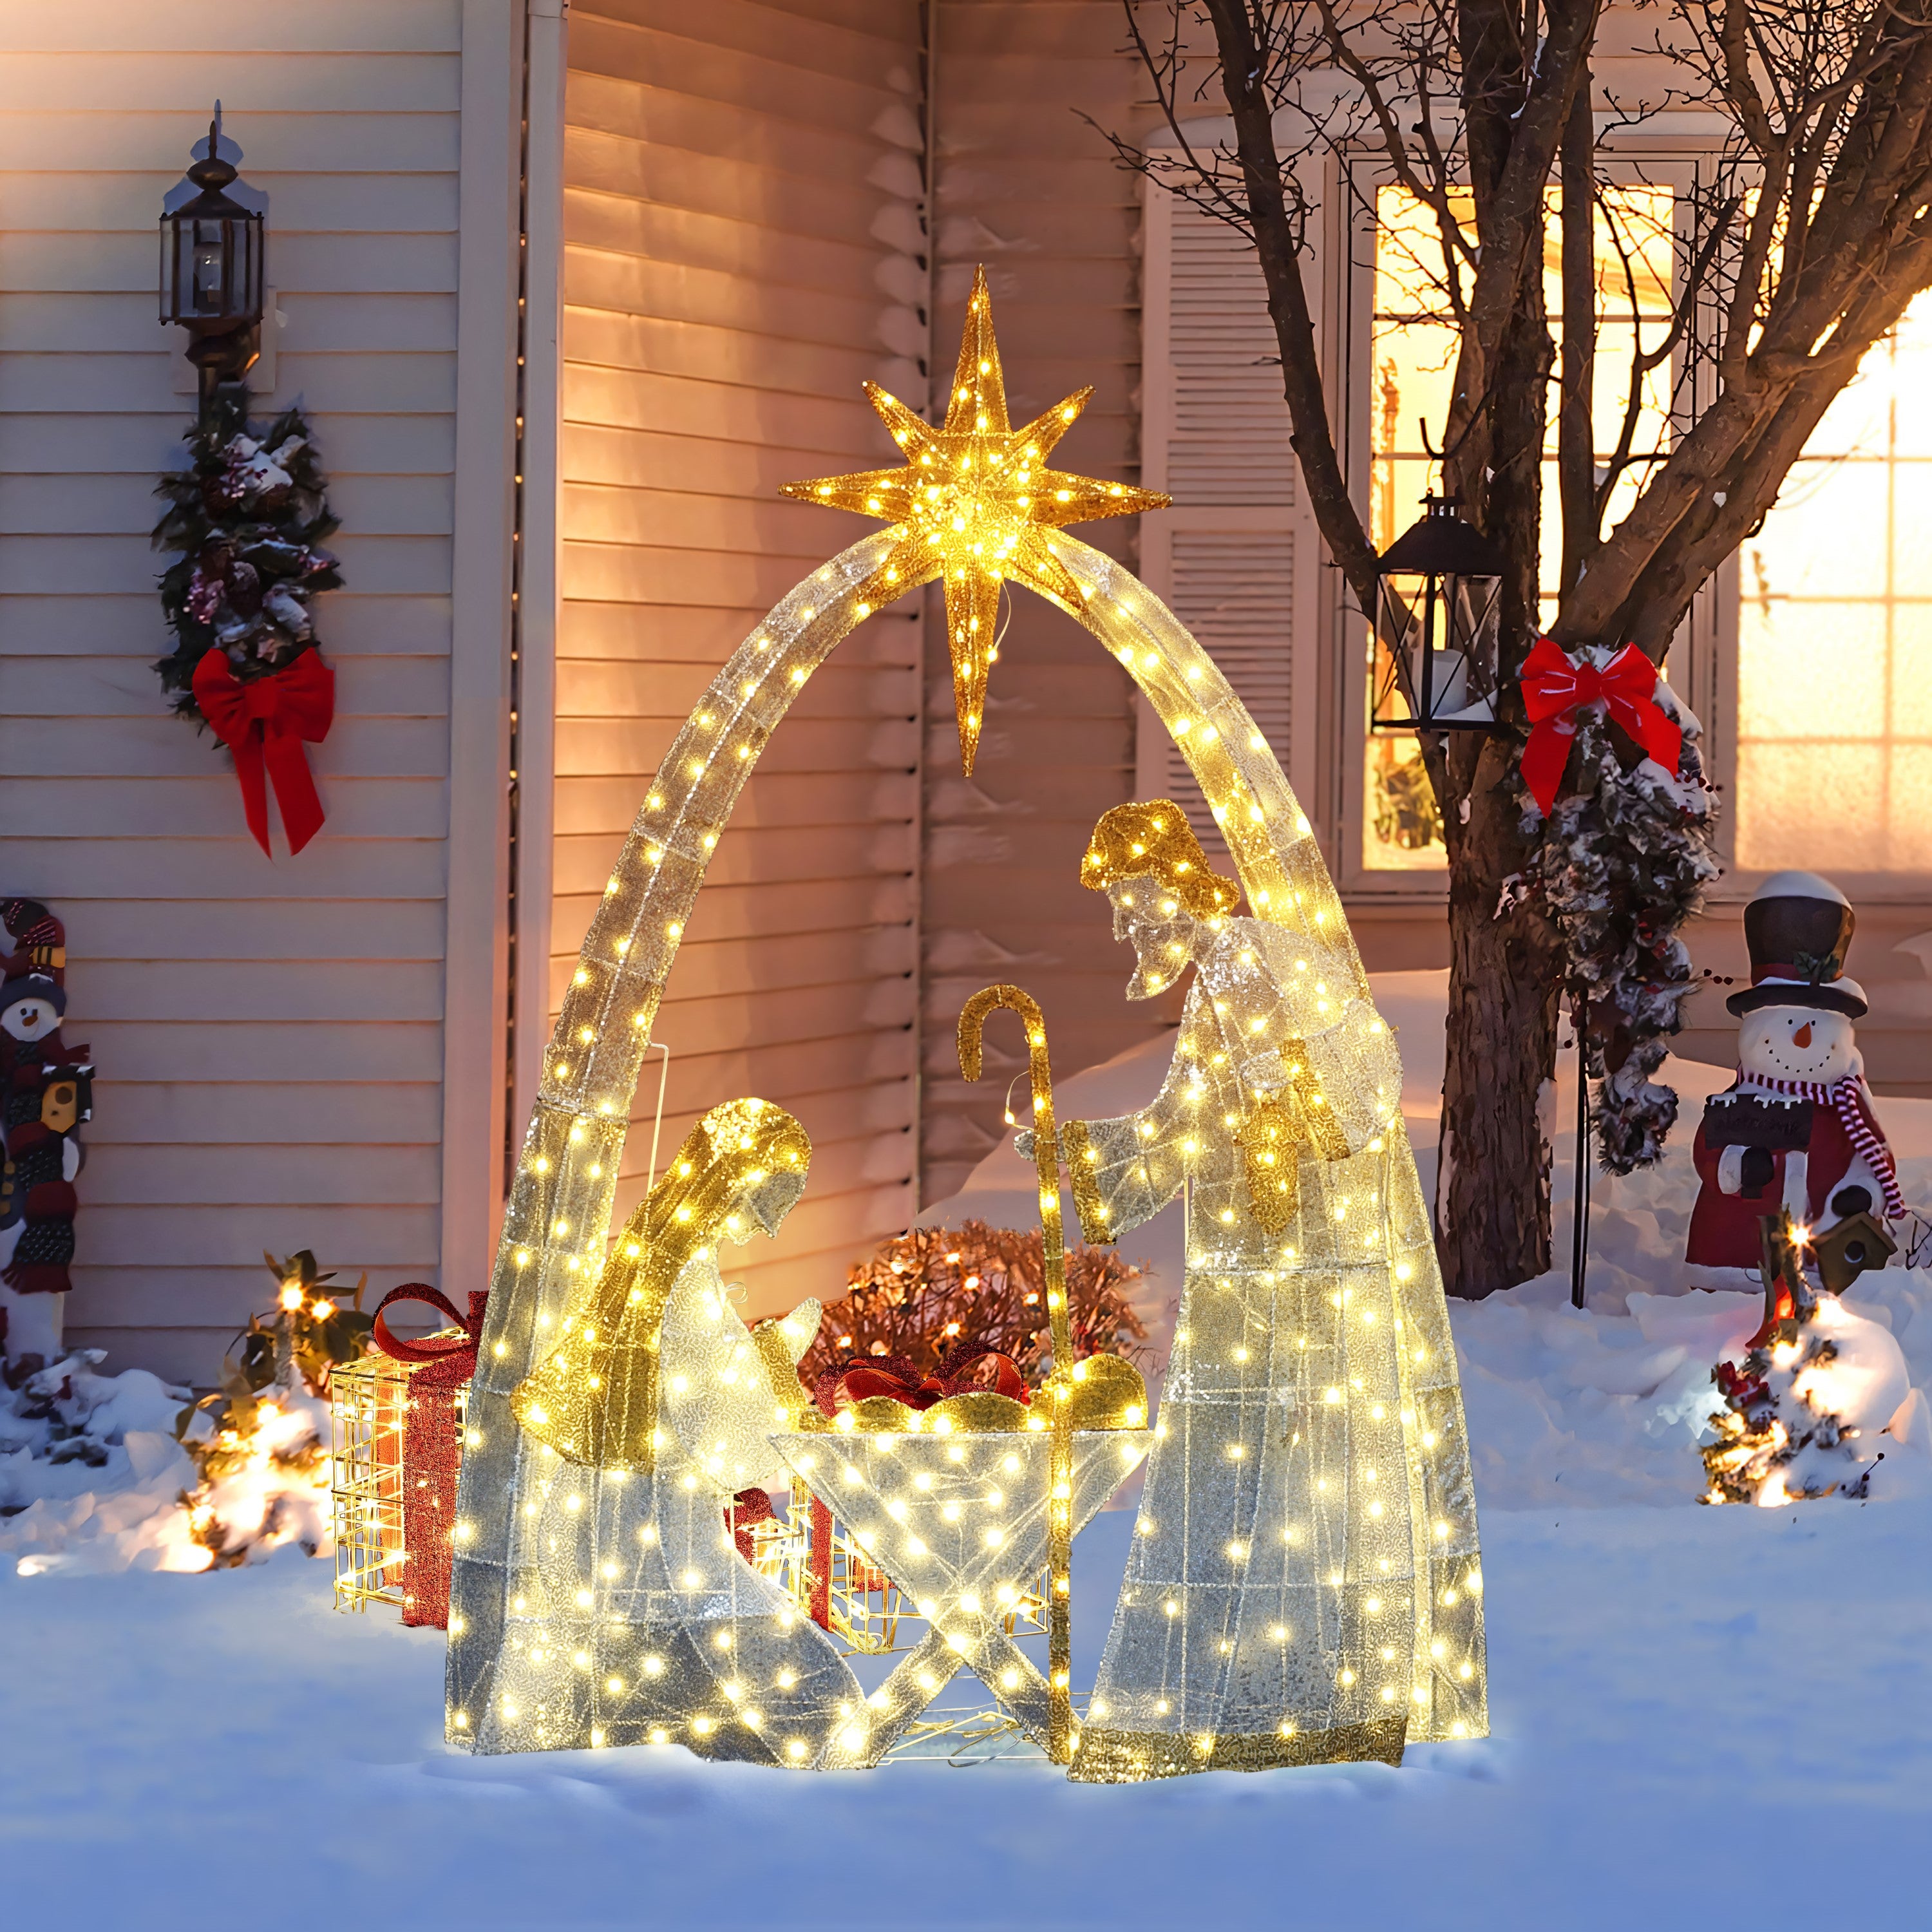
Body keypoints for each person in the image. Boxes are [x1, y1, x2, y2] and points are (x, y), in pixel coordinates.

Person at [1042, 802, 1487, 1779]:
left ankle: (1268, 1703)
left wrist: (1255, 1134)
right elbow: (1188, 1120)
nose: (1123, 931)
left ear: (1173, 887)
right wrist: (1080, 1154)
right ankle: (1262, 1697)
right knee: (1251, 1501)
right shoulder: (1229, 974)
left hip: (1290, 1289)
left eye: (1128, 905)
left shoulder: (1251, 968)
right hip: (1260, 1280)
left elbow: (1307, 1111)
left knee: (1258, 1496)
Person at [448, 1098, 868, 1765]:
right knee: (818, 1700)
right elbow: (722, 1432)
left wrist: (756, 1360)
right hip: (654, 1546)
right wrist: (778, 1363)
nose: (760, 1234)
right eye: (761, 1213)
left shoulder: (646, 1259)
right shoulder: (686, 1281)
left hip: (608, 1543)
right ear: (736, 1187)